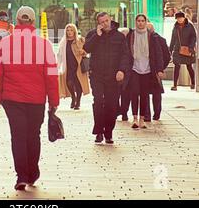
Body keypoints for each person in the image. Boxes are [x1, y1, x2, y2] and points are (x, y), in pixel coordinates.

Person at [0, 6, 59, 190]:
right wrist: (54, 100)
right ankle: (32, 172)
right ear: (33, 22)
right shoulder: (44, 44)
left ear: (17, 22)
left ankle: (21, 175)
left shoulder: (4, 44)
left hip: (12, 99)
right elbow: (52, 74)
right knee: (33, 135)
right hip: (36, 99)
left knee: (18, 136)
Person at [83, 12, 130, 145]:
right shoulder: (93, 34)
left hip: (113, 76)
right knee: (98, 101)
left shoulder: (119, 36)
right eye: (102, 22)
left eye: (107, 21)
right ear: (98, 23)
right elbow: (86, 49)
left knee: (111, 105)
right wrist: (97, 37)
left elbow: (125, 55)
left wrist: (122, 70)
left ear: (111, 20)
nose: (105, 24)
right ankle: (98, 131)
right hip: (97, 75)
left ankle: (108, 132)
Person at [125, 15, 164, 129]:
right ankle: (135, 118)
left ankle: (142, 119)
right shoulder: (131, 35)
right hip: (134, 69)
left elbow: (158, 54)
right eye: (138, 21)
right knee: (134, 93)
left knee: (144, 94)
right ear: (136, 22)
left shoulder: (152, 36)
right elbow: (126, 52)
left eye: (143, 21)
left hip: (147, 70)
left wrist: (160, 70)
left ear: (146, 22)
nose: (141, 23)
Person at [57, 23, 90, 110]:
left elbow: (86, 51)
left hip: (78, 66)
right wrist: (58, 66)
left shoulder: (80, 40)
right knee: (69, 83)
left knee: (78, 84)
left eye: (71, 30)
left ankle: (77, 102)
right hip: (68, 66)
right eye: (68, 30)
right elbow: (60, 55)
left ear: (74, 31)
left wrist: (83, 52)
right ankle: (73, 97)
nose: (69, 32)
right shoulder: (63, 42)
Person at [146, 22, 170, 121]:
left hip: (153, 70)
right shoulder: (160, 39)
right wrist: (161, 68)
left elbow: (166, 56)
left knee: (147, 93)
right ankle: (155, 114)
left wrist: (160, 68)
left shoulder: (158, 40)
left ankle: (149, 115)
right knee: (153, 93)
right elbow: (167, 57)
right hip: (154, 70)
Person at [169, 11, 196, 91]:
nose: (179, 20)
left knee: (189, 66)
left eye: (180, 18)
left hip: (188, 49)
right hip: (177, 49)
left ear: (184, 18)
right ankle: (174, 85)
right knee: (176, 66)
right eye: (177, 18)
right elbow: (173, 38)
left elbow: (193, 37)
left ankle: (193, 83)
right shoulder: (175, 27)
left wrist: (190, 47)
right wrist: (170, 49)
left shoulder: (190, 26)